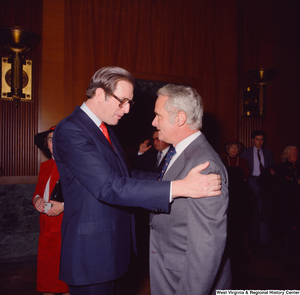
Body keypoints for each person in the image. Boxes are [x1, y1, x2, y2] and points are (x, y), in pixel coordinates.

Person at [52, 66, 222, 295]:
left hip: (112, 249)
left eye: (129, 102)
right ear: (100, 94)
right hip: (91, 253)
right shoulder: (71, 130)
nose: (127, 109)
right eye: (122, 101)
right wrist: (180, 187)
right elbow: (108, 186)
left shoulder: (104, 128)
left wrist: (173, 177)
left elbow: (125, 175)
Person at [149, 84, 231, 295]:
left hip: (185, 280)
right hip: (171, 271)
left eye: (158, 115)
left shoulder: (204, 164)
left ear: (180, 118)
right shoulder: (181, 152)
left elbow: (206, 246)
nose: (154, 122)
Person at [32, 126, 69, 295]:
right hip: (45, 229)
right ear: (46, 144)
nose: (53, 141)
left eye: (57, 138)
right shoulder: (45, 166)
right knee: (46, 278)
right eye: (50, 139)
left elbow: (83, 197)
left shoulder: (73, 164)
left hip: (63, 229)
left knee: (65, 279)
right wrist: (37, 199)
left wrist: (63, 206)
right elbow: (38, 192)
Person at [241, 130, 274, 247]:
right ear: (252, 140)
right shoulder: (245, 152)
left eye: (262, 139)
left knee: (264, 211)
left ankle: (264, 240)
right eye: (257, 139)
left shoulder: (268, 153)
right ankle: (252, 239)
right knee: (252, 212)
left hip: (265, 183)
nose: (260, 142)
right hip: (251, 182)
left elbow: (271, 169)